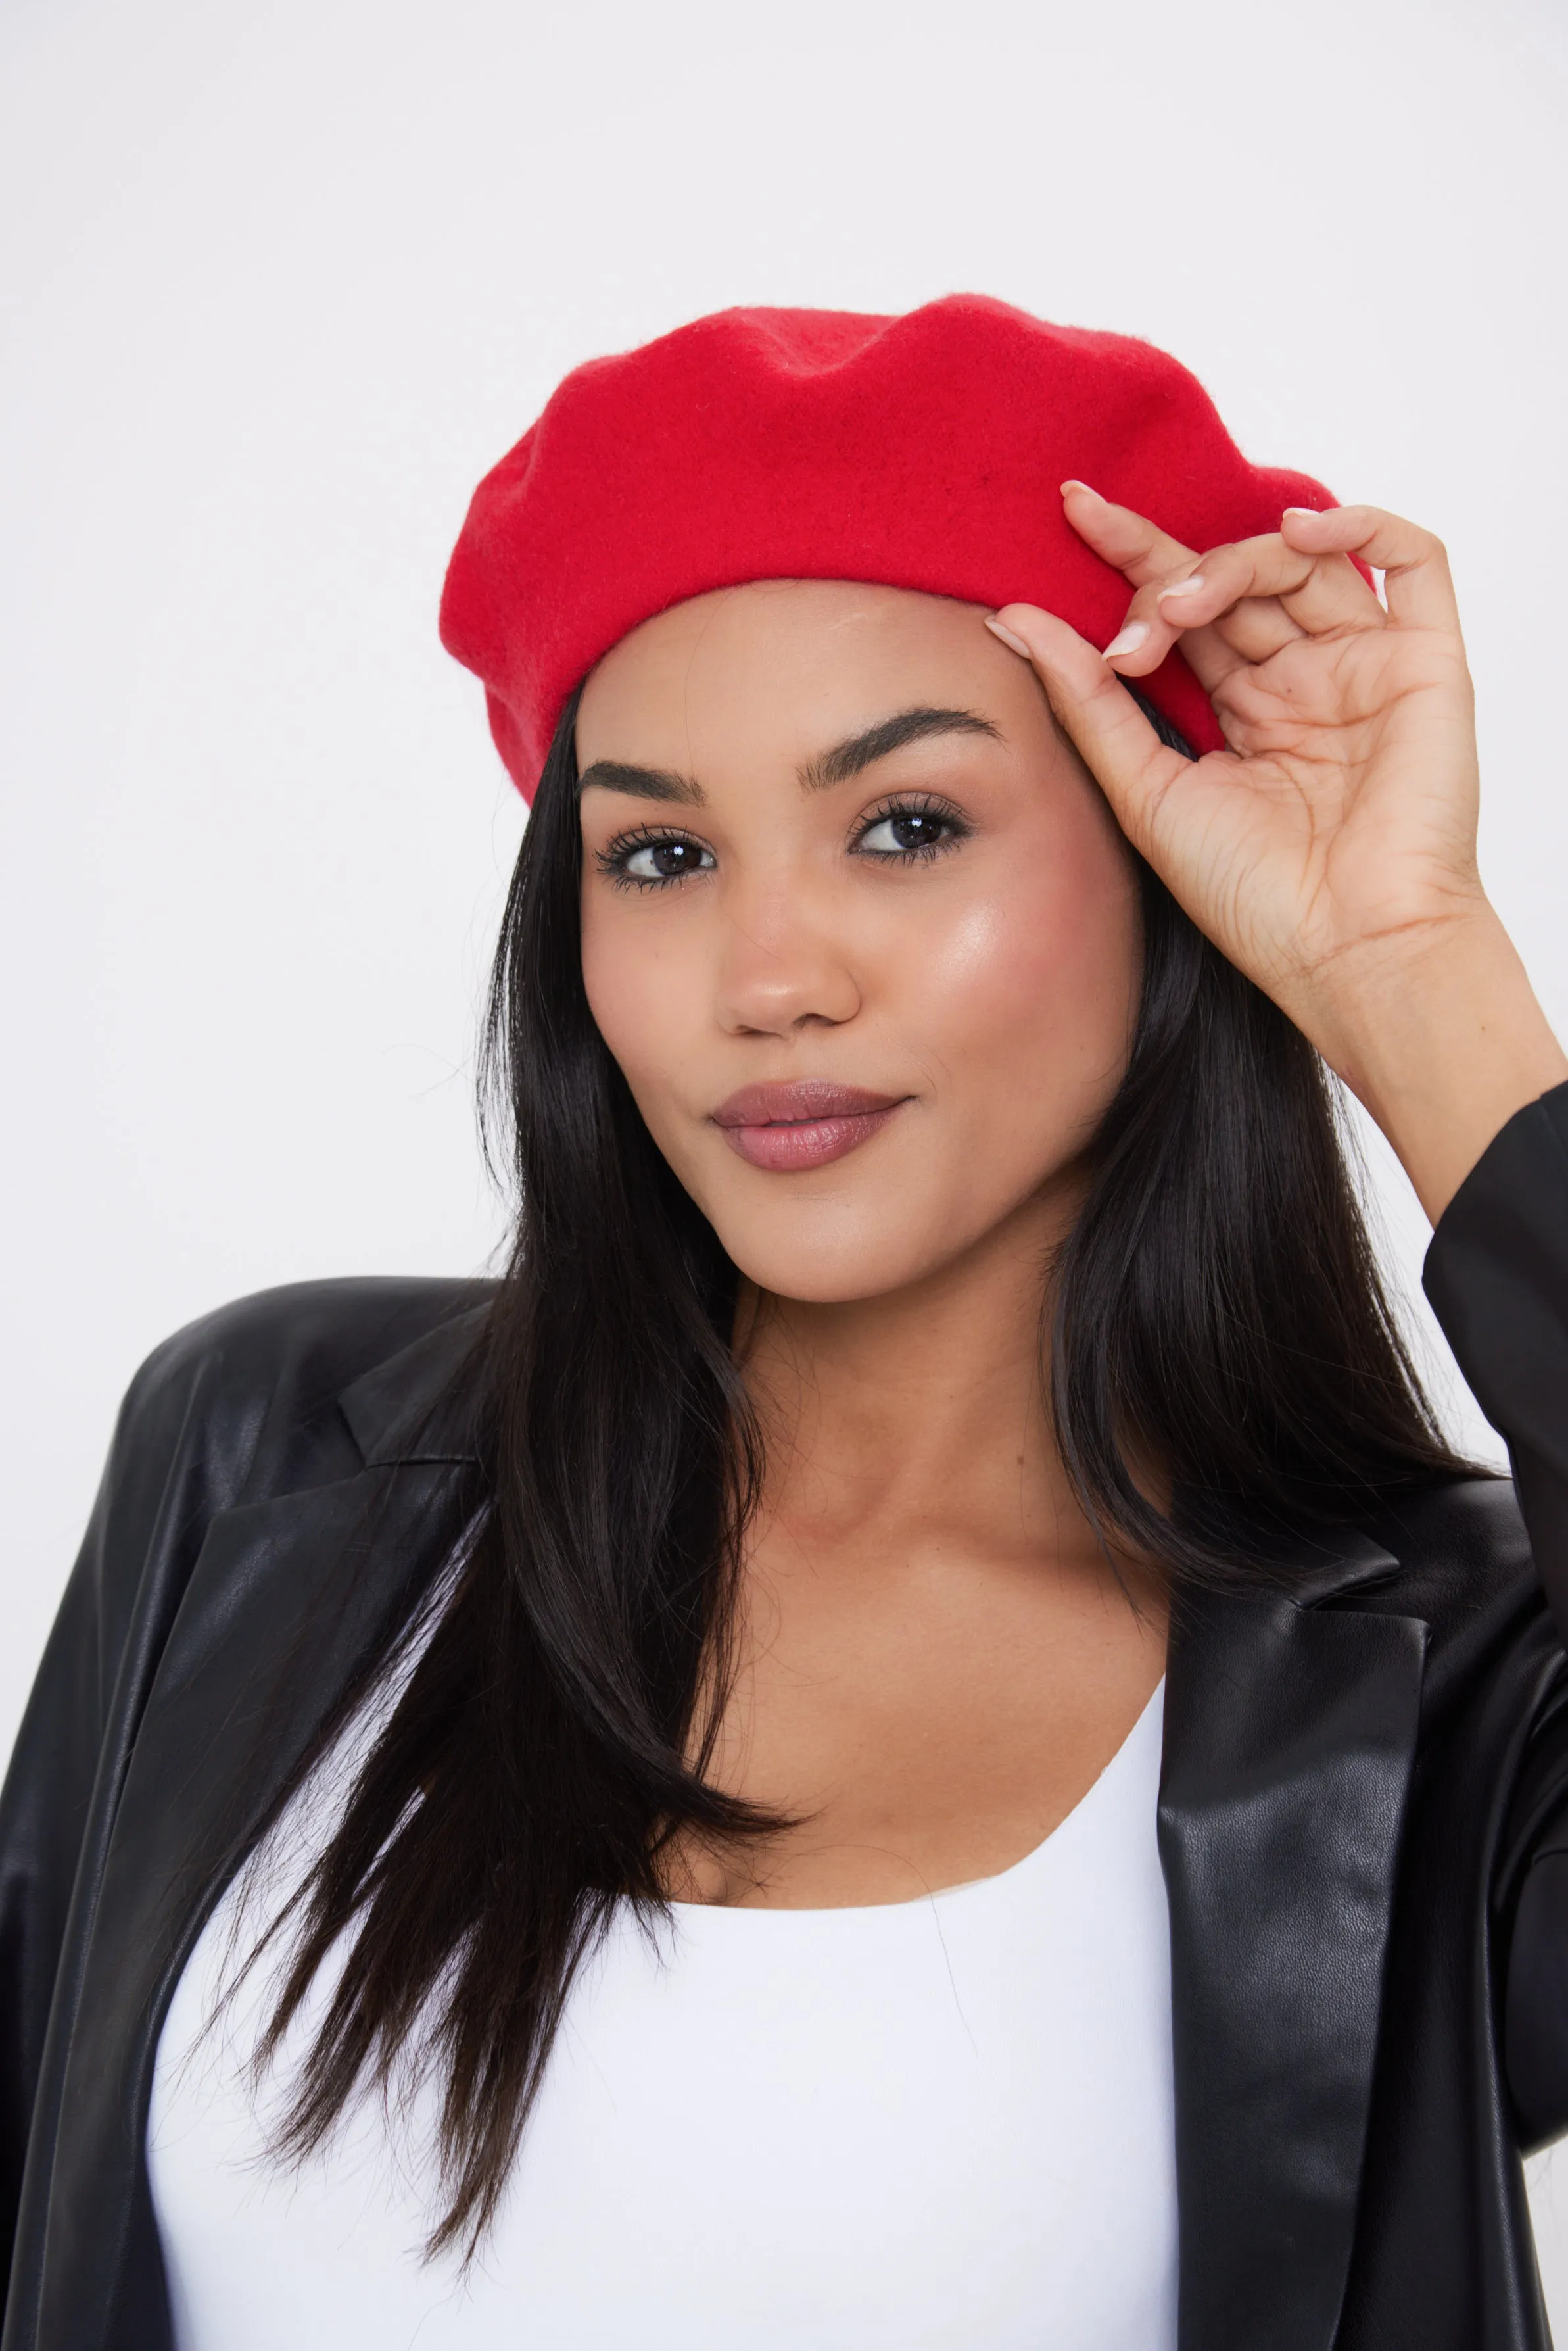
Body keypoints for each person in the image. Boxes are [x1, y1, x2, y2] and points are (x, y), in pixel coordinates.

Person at [3, 294, 1567, 2351]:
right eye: (659, 851)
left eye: (904, 825)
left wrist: (1408, 968)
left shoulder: (1420, 1675)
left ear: (1169, 853)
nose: (768, 973)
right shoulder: (279, 1449)